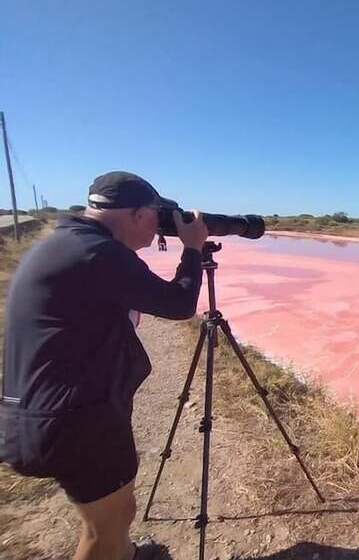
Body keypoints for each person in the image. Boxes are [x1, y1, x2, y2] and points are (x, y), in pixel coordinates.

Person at [0, 171, 209, 560]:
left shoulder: (70, 243)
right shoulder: (98, 253)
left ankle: (126, 554)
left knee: (119, 513)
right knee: (103, 533)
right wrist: (192, 248)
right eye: (156, 217)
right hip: (73, 422)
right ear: (135, 214)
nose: (157, 228)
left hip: (52, 413)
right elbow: (180, 305)